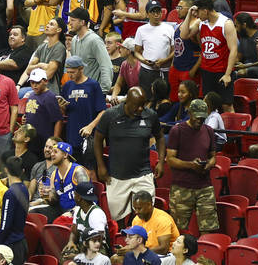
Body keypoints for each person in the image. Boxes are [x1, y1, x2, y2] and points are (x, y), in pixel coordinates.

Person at [93, 86, 164, 221]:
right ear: (127, 102)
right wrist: (100, 166)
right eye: (137, 106)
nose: (141, 109)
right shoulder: (110, 115)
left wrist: (160, 161)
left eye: (143, 105)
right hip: (117, 176)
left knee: (146, 215)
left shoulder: (150, 115)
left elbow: (160, 137)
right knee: (117, 218)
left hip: (143, 174)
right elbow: (97, 140)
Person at [165, 98, 218, 234]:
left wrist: (209, 164)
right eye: (197, 117)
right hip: (182, 188)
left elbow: (213, 156)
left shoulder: (209, 131)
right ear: (190, 113)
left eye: (203, 118)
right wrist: (190, 165)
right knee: (178, 230)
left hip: (204, 187)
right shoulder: (177, 130)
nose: (200, 121)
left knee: (209, 229)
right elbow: (170, 159)